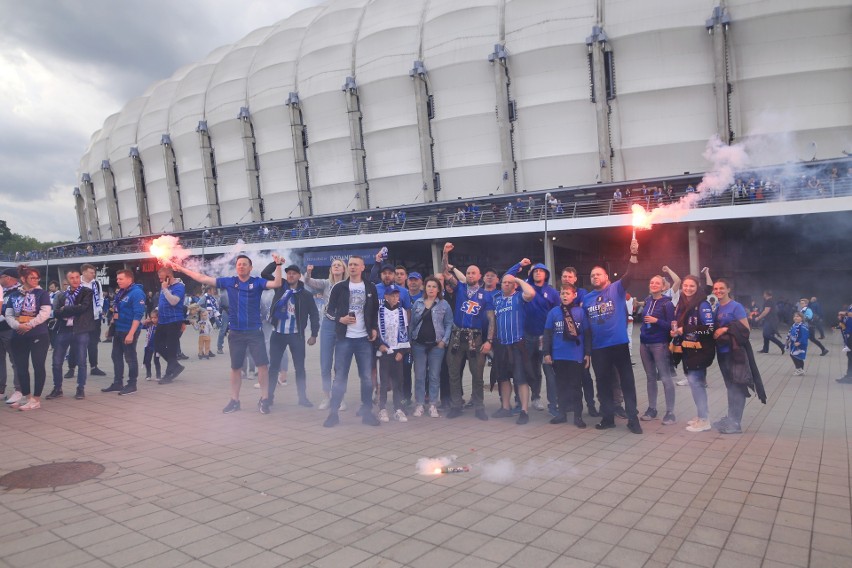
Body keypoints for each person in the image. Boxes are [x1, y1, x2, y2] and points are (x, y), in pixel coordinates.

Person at [171, 253, 284, 414]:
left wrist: (278, 265)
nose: (241, 266)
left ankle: (264, 399)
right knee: (235, 368)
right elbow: (203, 278)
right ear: (236, 267)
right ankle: (234, 400)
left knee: (262, 366)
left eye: (245, 264)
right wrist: (181, 268)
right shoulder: (230, 282)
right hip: (236, 333)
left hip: (254, 331)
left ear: (250, 268)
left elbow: (277, 283)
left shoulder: (257, 282)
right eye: (239, 264)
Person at [582, 239, 643, 434]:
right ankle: (608, 417)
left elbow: (630, 274)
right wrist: (587, 351)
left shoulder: (616, 288)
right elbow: (586, 327)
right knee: (603, 383)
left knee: (627, 382)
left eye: (598, 274)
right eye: (592, 275)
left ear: (606, 277)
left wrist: (633, 254)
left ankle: (633, 419)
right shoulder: (587, 298)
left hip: (618, 344)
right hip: (599, 348)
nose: (595, 277)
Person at [323, 255, 381, 427]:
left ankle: (367, 412)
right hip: (344, 339)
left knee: (366, 378)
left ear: (363, 267)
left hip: (363, 339)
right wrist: (339, 319)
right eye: (351, 265)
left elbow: (375, 311)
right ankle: (333, 413)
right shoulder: (339, 287)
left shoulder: (370, 287)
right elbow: (328, 310)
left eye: (356, 264)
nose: (353, 267)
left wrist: (373, 329)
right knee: (340, 377)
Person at [441, 242, 495, 421]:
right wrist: (445, 254)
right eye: (468, 272)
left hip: (476, 338)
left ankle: (479, 406)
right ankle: (456, 405)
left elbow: (490, 319)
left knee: (478, 374)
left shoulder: (486, 295)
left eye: (474, 272)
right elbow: (445, 273)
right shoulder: (461, 288)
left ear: (480, 276)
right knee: (454, 372)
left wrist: (489, 340)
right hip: (457, 336)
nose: (471, 275)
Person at [504, 258, 560, 415]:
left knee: (544, 370)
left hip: (545, 337)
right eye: (535, 271)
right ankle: (518, 401)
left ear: (546, 274)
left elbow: (557, 314)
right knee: (521, 369)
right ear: (531, 274)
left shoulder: (552, 292)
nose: (538, 273)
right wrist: (519, 265)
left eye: (541, 271)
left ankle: (546, 402)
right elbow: (507, 277)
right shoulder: (523, 288)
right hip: (525, 336)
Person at [262, 263, 319, 409]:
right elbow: (264, 274)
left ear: (299, 276)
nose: (291, 275)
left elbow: (314, 314)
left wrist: (314, 334)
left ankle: (302, 397)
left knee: (300, 368)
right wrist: (276, 264)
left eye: (294, 273)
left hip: (296, 335)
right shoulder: (280, 287)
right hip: (278, 334)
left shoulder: (305, 295)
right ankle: (268, 397)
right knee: (273, 368)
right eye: (288, 273)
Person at [671, 275, 715, 433]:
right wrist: (676, 332)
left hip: (701, 351)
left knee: (697, 385)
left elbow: (709, 328)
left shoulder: (703, 305)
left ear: (697, 288)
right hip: (687, 350)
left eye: (692, 286)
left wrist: (686, 330)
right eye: (685, 286)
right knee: (694, 384)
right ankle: (701, 416)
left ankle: (704, 420)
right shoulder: (683, 303)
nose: (688, 289)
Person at [543, 283, 591, 428]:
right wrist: (546, 352)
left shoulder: (580, 312)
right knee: (561, 386)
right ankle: (562, 413)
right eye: (562, 293)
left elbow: (587, 334)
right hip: (559, 355)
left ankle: (578, 416)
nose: (565, 296)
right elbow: (547, 334)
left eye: (568, 293)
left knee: (576, 387)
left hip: (575, 355)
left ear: (574, 295)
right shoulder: (553, 312)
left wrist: (588, 353)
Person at [4, 266, 52, 410]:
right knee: (21, 367)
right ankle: (27, 396)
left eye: (37, 278)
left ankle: (36, 399)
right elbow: (8, 314)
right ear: (23, 279)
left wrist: (29, 325)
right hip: (18, 335)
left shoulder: (41, 293)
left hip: (38, 334)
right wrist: (17, 326)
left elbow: (45, 313)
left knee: (38, 365)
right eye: (32, 278)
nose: (35, 280)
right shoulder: (14, 295)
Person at [491, 273, 536, 424]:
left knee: (521, 378)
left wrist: (517, 279)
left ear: (515, 285)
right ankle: (505, 408)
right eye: (504, 282)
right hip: (501, 344)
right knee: (503, 378)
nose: (507, 285)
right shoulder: (496, 299)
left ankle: (524, 410)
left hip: (517, 344)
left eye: (510, 283)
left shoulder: (519, 297)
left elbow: (530, 293)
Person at [710, 279, 754, 434]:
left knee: (738, 387)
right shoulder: (715, 307)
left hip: (735, 354)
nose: (718, 291)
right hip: (722, 353)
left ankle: (736, 423)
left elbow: (746, 330)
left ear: (728, 289)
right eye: (715, 288)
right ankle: (731, 418)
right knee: (730, 387)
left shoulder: (736, 306)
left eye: (722, 288)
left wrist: (724, 330)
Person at [303, 259, 347, 410]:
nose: (336, 266)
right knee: (325, 363)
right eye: (334, 265)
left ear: (343, 269)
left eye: (339, 265)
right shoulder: (325, 283)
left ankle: (339, 398)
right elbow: (308, 281)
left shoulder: (348, 284)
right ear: (331, 269)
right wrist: (308, 272)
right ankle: (326, 397)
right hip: (328, 325)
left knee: (340, 365)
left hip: (343, 324)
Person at [409, 276, 453, 419]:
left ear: (438, 289)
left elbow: (449, 323)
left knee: (434, 376)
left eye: (434, 287)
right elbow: (412, 324)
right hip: (419, 345)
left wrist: (444, 341)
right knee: (420, 376)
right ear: (424, 288)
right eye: (429, 286)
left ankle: (433, 404)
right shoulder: (418, 303)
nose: (431, 289)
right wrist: (410, 342)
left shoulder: (444, 304)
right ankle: (420, 404)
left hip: (436, 346)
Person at [48, 269, 94, 400]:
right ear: (67, 280)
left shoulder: (87, 292)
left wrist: (65, 310)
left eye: (76, 277)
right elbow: (56, 312)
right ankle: (57, 388)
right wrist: (66, 310)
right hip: (64, 330)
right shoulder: (61, 295)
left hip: (80, 329)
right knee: (56, 361)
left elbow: (83, 308)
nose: (74, 280)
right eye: (71, 278)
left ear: (80, 278)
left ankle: (80, 388)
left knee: (81, 361)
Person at [639, 275, 676, 424]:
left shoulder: (667, 304)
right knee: (650, 377)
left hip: (659, 344)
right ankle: (652, 408)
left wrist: (657, 321)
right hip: (644, 344)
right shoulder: (648, 301)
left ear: (663, 287)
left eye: (657, 283)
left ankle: (670, 412)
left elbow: (672, 325)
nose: (654, 284)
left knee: (666, 378)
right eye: (651, 282)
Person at [561, 267, 598, 417]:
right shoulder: (559, 295)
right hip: (564, 347)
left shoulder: (583, 293)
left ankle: (591, 405)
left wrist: (587, 351)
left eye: (570, 276)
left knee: (585, 377)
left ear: (575, 279)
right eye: (564, 276)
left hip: (580, 343)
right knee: (569, 378)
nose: (567, 279)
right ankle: (571, 404)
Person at [102, 269, 146, 396]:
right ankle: (117, 382)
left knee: (130, 358)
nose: (118, 281)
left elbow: (138, 315)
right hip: (118, 329)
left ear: (129, 279)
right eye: (117, 279)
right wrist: (110, 327)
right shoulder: (121, 292)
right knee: (115, 355)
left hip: (128, 330)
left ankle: (132, 384)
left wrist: (131, 333)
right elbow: (115, 310)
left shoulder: (137, 293)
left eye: (120, 279)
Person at [375, 285, 410, 422]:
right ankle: (382, 408)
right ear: (386, 297)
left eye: (397, 295)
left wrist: (402, 351)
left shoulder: (402, 311)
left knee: (398, 381)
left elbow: (405, 332)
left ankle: (398, 408)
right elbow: (375, 331)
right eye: (392, 295)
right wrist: (380, 345)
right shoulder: (379, 311)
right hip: (384, 350)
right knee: (384, 382)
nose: (395, 298)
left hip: (397, 351)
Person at [154, 265, 187, 383]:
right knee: (157, 344)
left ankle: (169, 374)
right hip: (162, 320)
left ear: (169, 276)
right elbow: (162, 302)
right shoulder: (165, 286)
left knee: (171, 347)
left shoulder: (179, 286)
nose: (160, 280)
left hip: (174, 320)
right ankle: (175, 365)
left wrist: (165, 289)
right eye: (159, 278)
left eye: (162, 277)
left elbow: (174, 301)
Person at [79, 264, 108, 377]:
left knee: (93, 342)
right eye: (91, 272)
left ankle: (94, 366)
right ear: (84, 272)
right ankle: (72, 367)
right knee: (78, 343)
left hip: (94, 317)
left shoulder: (96, 283)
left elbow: (100, 297)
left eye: (94, 272)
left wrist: (99, 308)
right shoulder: (78, 282)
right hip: (80, 318)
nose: (93, 274)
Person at [0, 267, 23, 404]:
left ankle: (19, 390)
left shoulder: (19, 291)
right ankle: (1, 390)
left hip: (11, 330)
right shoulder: (3, 291)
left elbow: (18, 310)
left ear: (8, 277)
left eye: (1, 277)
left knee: (16, 361)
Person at [755, 290, 785, 354]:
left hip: (771, 320)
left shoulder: (768, 302)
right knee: (765, 334)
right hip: (771, 320)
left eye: (764, 294)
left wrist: (758, 318)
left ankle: (781, 345)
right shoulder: (772, 301)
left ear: (766, 294)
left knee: (767, 334)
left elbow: (766, 311)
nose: (763, 295)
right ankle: (765, 349)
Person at [786, 311, 809, 376]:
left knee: (795, 355)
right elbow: (791, 333)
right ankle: (800, 369)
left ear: (802, 318)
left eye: (798, 316)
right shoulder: (794, 325)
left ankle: (799, 368)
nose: (796, 318)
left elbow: (805, 335)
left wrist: (799, 342)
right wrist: (789, 340)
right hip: (794, 343)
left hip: (800, 344)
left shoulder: (803, 326)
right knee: (796, 356)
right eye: (795, 316)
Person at [142, 309, 161, 381]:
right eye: (152, 318)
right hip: (149, 345)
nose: (153, 319)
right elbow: (140, 326)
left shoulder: (160, 326)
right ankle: (148, 374)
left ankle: (158, 375)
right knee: (147, 360)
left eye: (155, 318)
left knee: (156, 360)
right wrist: (145, 321)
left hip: (157, 346)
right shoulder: (149, 325)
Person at [836, 304, 852, 384]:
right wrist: (841, 320)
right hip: (849, 333)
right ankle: (849, 375)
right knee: (849, 355)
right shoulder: (850, 306)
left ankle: (850, 376)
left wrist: (844, 314)